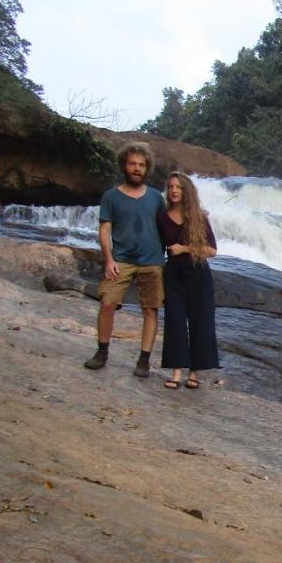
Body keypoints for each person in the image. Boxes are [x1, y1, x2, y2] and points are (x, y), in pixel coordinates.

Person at [84, 142, 166, 377]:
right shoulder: (111, 197)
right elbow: (104, 230)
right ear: (124, 166)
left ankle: (144, 360)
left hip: (152, 261)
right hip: (121, 260)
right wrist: (108, 260)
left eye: (141, 164)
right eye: (132, 164)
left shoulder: (156, 198)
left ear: (146, 168)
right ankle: (102, 352)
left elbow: (168, 225)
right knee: (107, 303)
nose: (137, 168)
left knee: (150, 310)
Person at [157, 171, 219, 388]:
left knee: (200, 322)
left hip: (198, 274)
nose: (174, 190)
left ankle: (194, 373)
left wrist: (184, 248)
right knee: (175, 321)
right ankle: (176, 373)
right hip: (173, 275)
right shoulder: (162, 216)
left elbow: (212, 250)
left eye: (179, 187)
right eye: (171, 187)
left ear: (187, 191)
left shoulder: (199, 217)